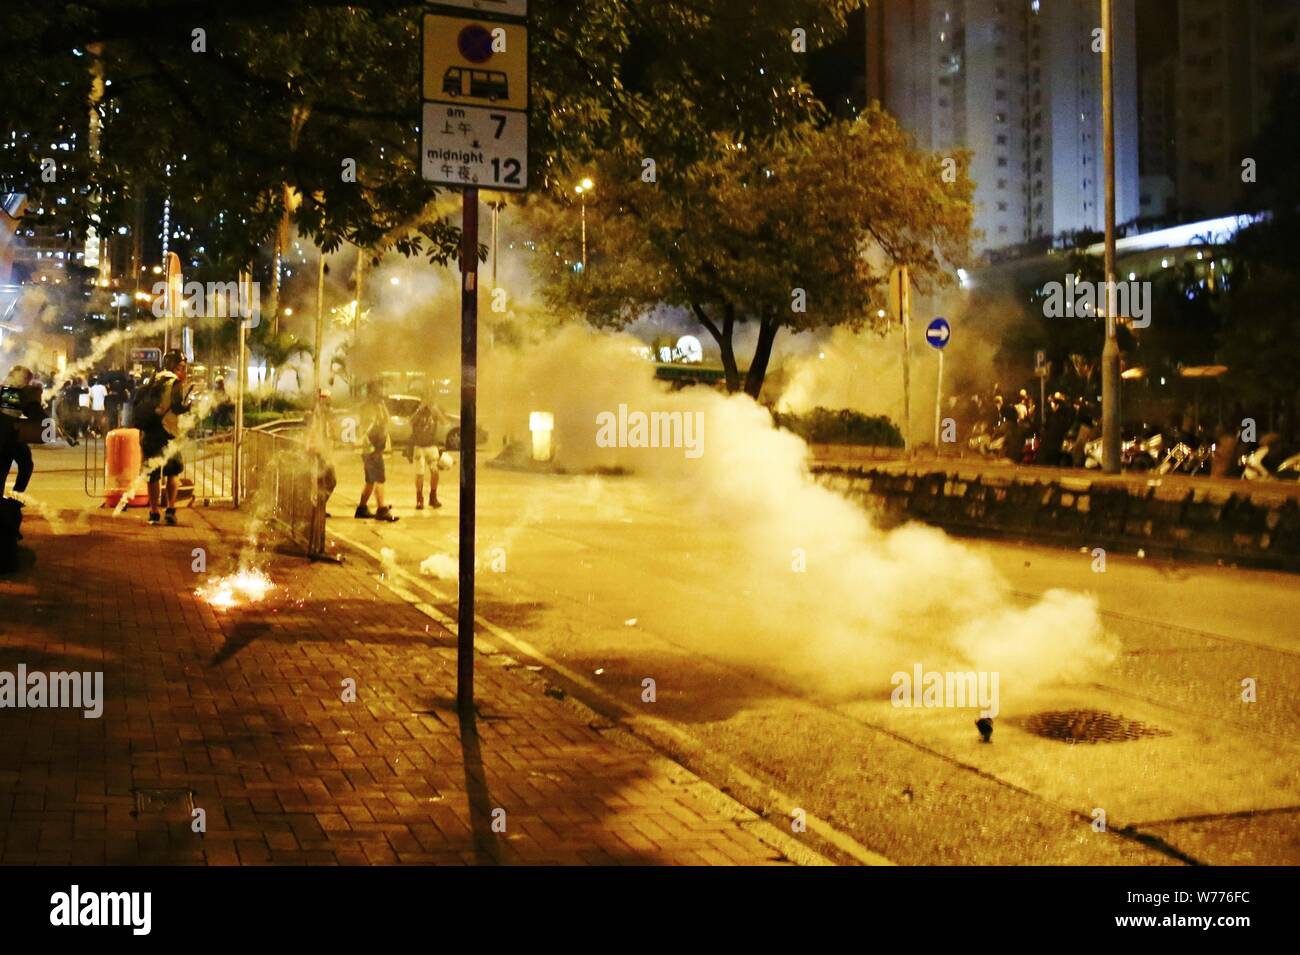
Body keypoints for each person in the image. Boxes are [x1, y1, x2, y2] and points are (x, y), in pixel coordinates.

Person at [134, 350, 192, 526]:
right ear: (175, 366)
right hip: (168, 434)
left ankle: (153, 512)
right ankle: (170, 509)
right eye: (182, 367)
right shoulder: (174, 382)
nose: (184, 370)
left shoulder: (153, 380)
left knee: (153, 474)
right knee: (173, 472)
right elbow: (176, 406)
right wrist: (187, 407)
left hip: (150, 433)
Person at [355, 380, 398, 522]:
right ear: (373, 392)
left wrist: (382, 405)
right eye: (379, 390)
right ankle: (381, 509)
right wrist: (371, 447)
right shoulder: (368, 408)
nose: (382, 393)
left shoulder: (377, 406)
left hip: (375, 448)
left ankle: (362, 508)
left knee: (371, 480)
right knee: (379, 478)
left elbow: (387, 421)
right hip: (371, 449)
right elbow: (365, 428)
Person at [0, 366, 44, 500]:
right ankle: (15, 497)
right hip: (6, 434)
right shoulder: (10, 389)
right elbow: (10, 413)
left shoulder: (7, 389)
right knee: (25, 462)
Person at [409, 389, 449, 510]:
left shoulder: (435, 410)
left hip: (432, 446)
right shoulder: (417, 410)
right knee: (420, 473)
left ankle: (433, 496)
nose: (428, 401)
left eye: (430, 398)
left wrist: (436, 410)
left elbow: (444, 422)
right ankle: (419, 498)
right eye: (426, 398)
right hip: (419, 446)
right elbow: (410, 422)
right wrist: (420, 409)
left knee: (435, 471)